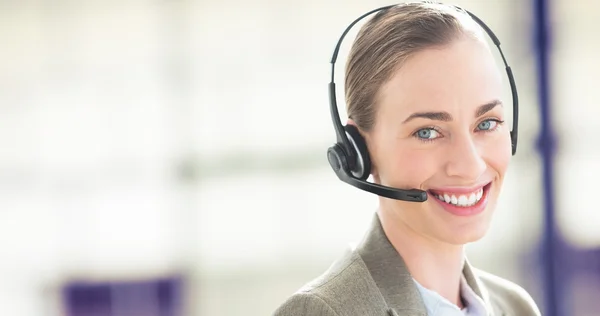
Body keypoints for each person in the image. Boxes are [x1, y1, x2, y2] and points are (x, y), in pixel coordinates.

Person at [273, 2, 541, 316]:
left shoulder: (514, 306)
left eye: (486, 123)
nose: (470, 166)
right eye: (427, 132)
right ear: (358, 149)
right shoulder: (327, 310)